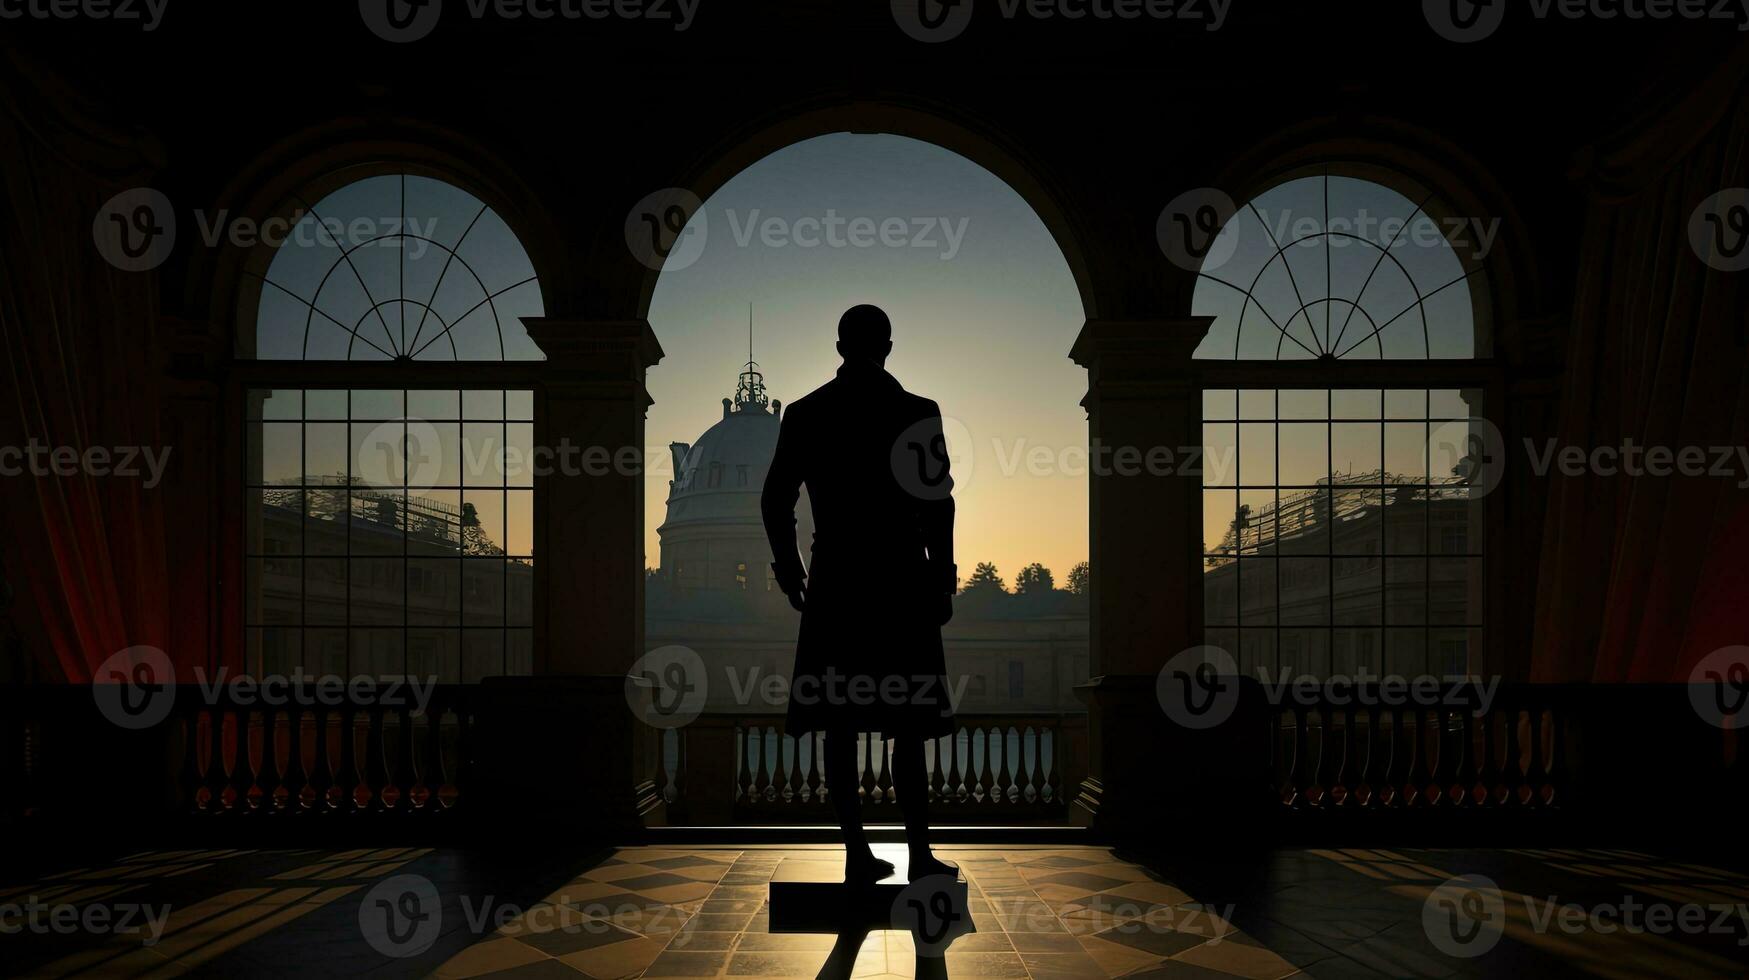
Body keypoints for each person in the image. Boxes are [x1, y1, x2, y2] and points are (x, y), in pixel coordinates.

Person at [761, 303, 958, 883]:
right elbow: (939, 502)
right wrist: (941, 577)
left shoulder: (805, 413)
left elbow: (776, 501)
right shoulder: (917, 411)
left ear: (839, 345)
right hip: (901, 579)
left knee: (839, 724)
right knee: (911, 729)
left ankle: (856, 854)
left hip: (837, 580)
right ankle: (919, 856)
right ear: (888, 346)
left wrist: (790, 568)